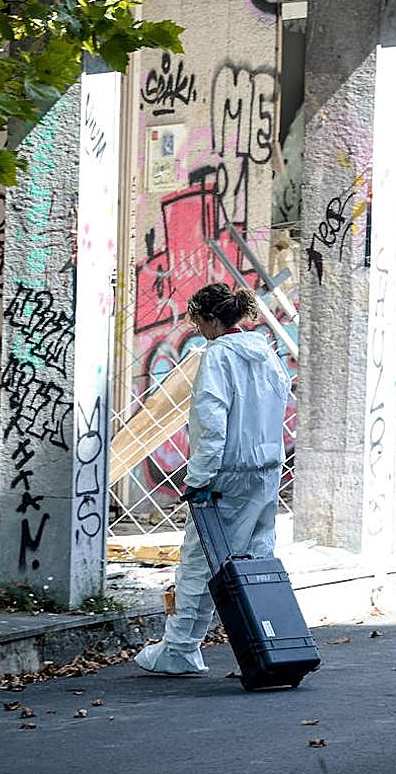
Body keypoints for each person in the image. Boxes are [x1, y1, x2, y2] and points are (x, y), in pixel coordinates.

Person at [134, 282, 290, 676]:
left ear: (207, 318)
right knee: (256, 562)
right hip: (266, 469)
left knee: (200, 564)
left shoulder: (217, 356)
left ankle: (181, 649)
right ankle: (272, 642)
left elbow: (211, 422)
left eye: (196, 320)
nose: (196, 328)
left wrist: (198, 479)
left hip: (227, 474)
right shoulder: (265, 353)